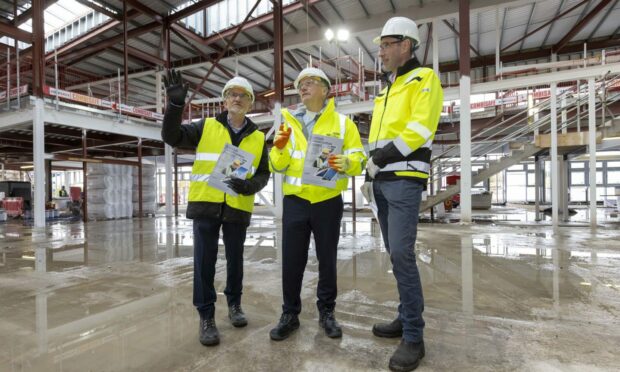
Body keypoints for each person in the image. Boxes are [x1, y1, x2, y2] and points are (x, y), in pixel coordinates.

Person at [161, 71, 270, 347]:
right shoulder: (206, 126)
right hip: (206, 205)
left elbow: (263, 174)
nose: (237, 98)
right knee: (204, 263)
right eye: (232, 94)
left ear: (250, 103)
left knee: (236, 261)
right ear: (224, 100)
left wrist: (250, 187)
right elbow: (171, 136)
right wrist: (175, 107)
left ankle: (234, 305)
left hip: (236, 206)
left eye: (243, 95)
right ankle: (206, 316)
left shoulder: (257, 137)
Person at [366, 17, 444, 372]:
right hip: (382, 180)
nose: (380, 51)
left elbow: (420, 128)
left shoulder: (423, 78)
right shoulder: (386, 89)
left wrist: (383, 155)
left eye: (386, 44)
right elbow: (376, 138)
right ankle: (404, 316)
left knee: (401, 253)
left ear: (406, 45)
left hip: (404, 178)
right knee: (395, 254)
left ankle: (414, 336)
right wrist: (368, 163)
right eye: (380, 45)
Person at [269, 67, 366, 341]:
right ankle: (290, 314)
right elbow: (277, 166)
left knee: (327, 260)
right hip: (296, 202)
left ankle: (327, 312)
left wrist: (349, 163)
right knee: (292, 262)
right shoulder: (287, 123)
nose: (303, 87)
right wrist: (277, 148)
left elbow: (359, 158)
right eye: (300, 84)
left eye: (310, 82)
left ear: (325, 89)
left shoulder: (344, 124)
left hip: (327, 201)